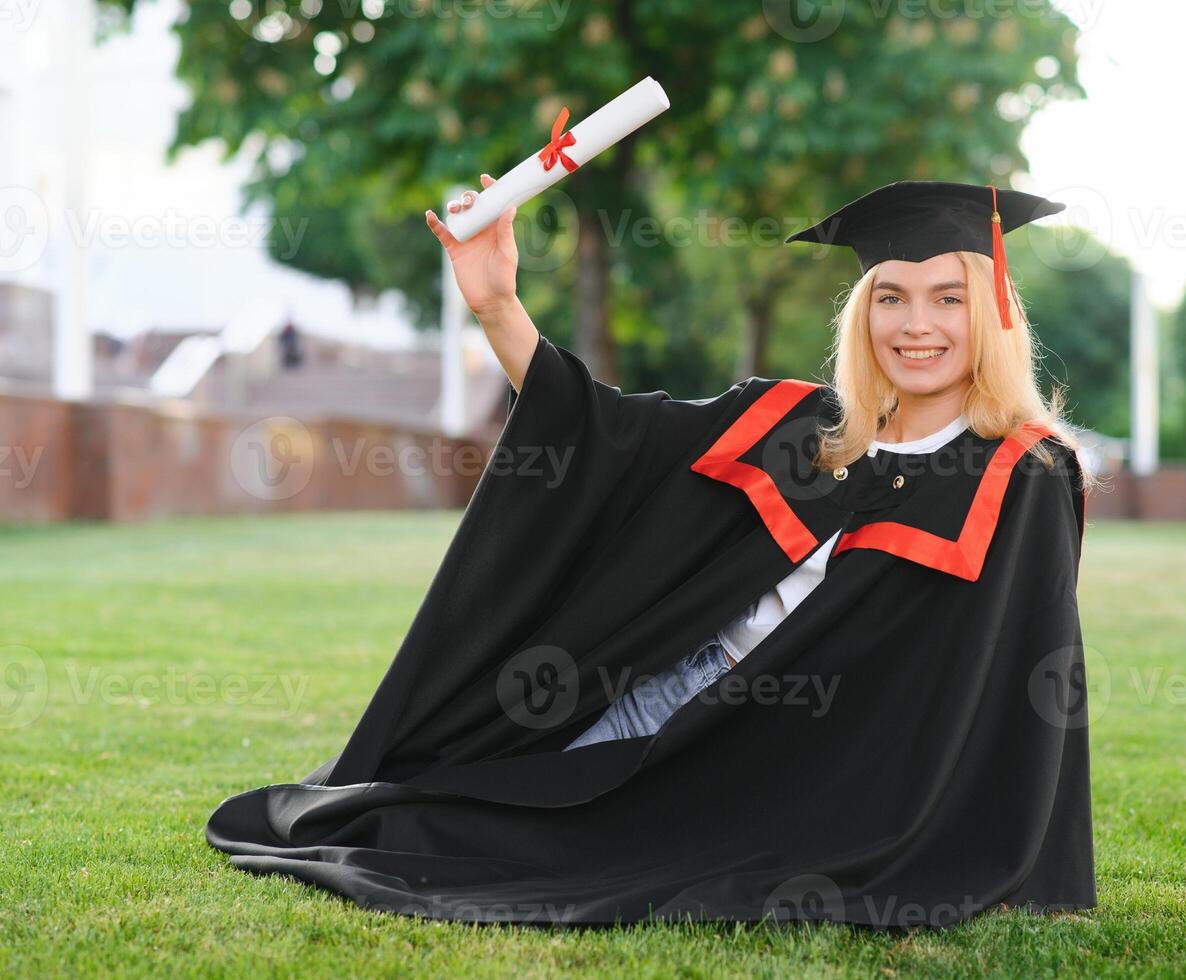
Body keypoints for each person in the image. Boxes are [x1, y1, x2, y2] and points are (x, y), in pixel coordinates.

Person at [204, 178, 1097, 929]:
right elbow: (611, 434)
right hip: (666, 700)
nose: (916, 326)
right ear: (862, 315)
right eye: (891, 297)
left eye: (949, 298)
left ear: (991, 314)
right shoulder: (800, 428)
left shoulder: (1020, 473)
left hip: (792, 763)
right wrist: (495, 304)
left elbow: (1017, 671)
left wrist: (978, 843)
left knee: (558, 849)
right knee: (429, 815)